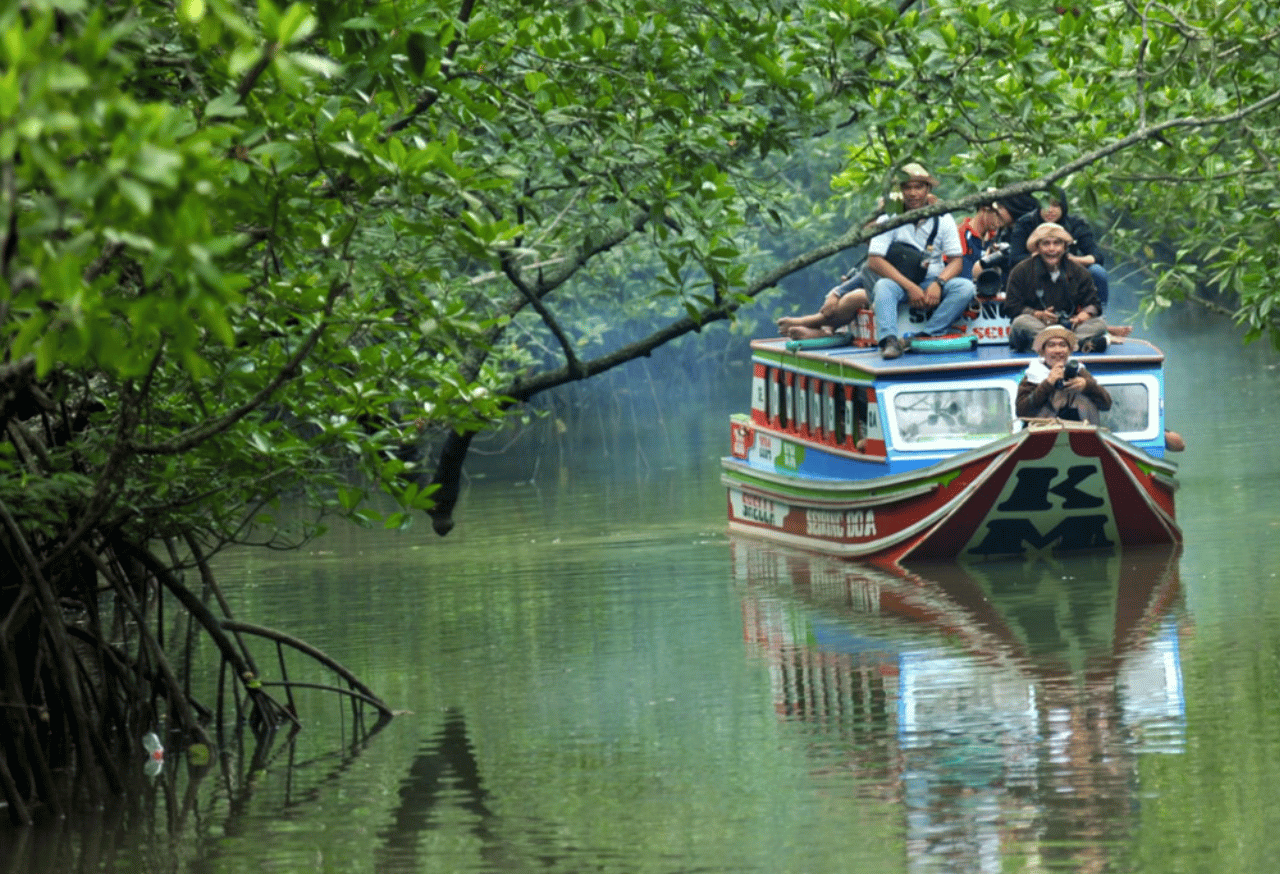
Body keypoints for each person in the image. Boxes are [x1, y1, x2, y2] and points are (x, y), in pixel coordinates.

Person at [864, 162, 975, 359]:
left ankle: (926, 335)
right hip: (899, 282)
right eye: (908, 187)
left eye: (918, 187)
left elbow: (957, 260)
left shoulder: (944, 218)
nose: (913, 193)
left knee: (965, 287)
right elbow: (875, 260)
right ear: (901, 190)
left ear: (928, 189)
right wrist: (909, 287)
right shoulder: (888, 217)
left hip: (932, 280)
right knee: (883, 287)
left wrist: (938, 283)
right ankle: (889, 340)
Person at [1003, 222, 1108, 353]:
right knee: (1020, 323)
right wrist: (1037, 314)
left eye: (1057, 243)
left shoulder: (1079, 271)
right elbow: (1011, 307)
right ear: (1038, 248)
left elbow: (1094, 303)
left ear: (1064, 247)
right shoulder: (1021, 270)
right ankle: (1075, 345)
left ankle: (1054, 346)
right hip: (1038, 326)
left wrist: (1085, 314)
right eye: (1046, 244)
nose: (1052, 249)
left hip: (1069, 327)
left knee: (1100, 323)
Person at [1008, 185, 1111, 307]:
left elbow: (1098, 257)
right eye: (1046, 205)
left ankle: (1098, 310)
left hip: (1068, 272)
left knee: (1097, 271)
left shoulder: (1076, 224)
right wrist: (1041, 258)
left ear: (1063, 207)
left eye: (1055, 205)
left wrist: (1073, 260)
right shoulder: (1025, 223)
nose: (1050, 210)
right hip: (1035, 273)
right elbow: (1014, 258)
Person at [1016, 325, 1112, 424]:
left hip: (1080, 434)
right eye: (1051, 345)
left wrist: (1087, 386)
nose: (1058, 350)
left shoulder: (1080, 371)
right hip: (1044, 435)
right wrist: (1047, 384)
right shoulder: (1033, 374)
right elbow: (1021, 413)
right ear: (1043, 352)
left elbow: (1106, 404)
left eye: (1062, 345)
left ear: (1069, 350)